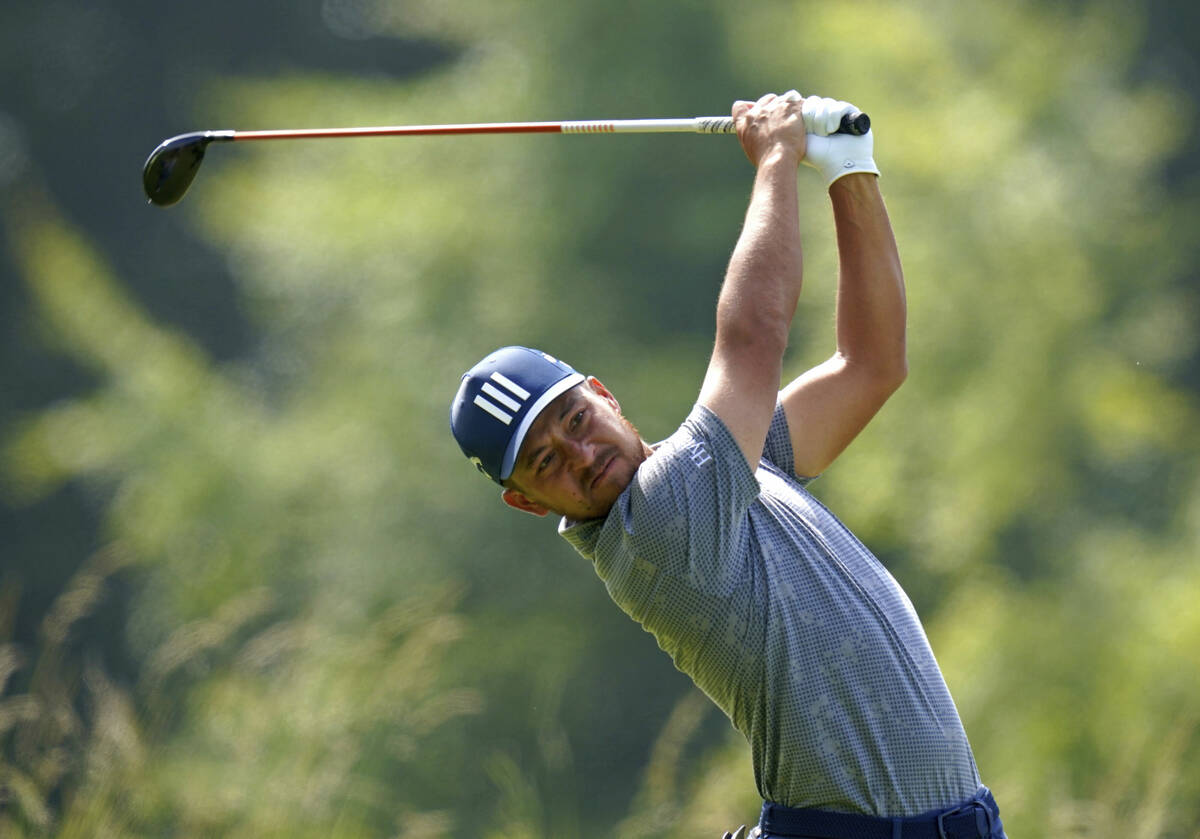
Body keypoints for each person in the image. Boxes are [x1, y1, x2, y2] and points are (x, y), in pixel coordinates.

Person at [449, 92, 1006, 839]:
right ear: (525, 502)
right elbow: (753, 336)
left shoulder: (731, 475)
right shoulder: (661, 524)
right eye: (547, 461)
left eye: (576, 419)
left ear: (605, 394)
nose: (581, 456)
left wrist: (849, 168)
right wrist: (777, 157)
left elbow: (871, 364)